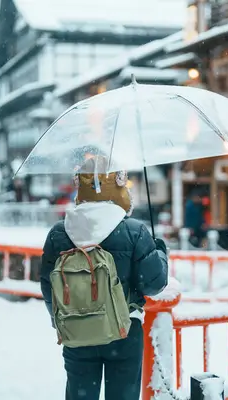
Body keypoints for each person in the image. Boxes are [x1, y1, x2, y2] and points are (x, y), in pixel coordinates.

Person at [40, 156, 168, 400]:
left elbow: (48, 285)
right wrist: (159, 252)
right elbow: (155, 284)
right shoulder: (134, 231)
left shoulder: (59, 233)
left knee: (80, 395)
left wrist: (61, 321)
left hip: (77, 329)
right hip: (124, 330)